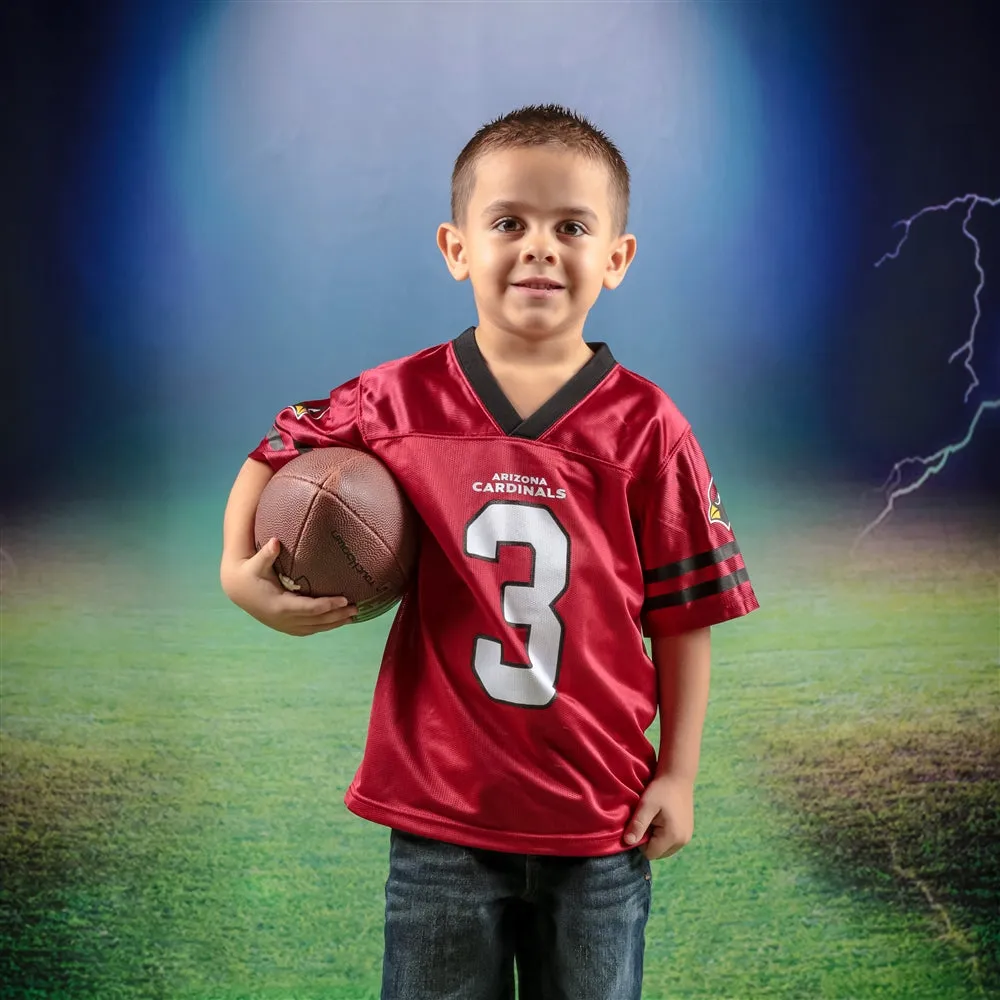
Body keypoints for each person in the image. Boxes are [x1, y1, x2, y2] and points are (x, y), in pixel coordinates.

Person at [220, 103, 759, 1000]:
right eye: (509, 222)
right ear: (456, 247)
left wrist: (680, 772)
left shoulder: (647, 427)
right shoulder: (398, 399)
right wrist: (240, 573)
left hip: (599, 816)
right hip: (439, 813)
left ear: (616, 259)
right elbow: (277, 448)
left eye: (571, 227)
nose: (539, 247)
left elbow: (684, 616)